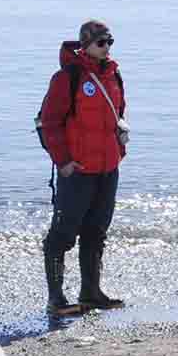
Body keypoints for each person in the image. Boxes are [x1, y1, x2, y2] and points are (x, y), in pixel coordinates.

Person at [37, 19, 128, 318]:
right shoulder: (67, 78)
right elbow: (48, 123)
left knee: (96, 231)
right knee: (62, 235)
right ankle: (56, 299)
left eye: (109, 42)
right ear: (86, 44)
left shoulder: (114, 74)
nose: (107, 48)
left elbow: (119, 115)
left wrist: (119, 151)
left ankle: (91, 292)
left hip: (107, 168)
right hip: (77, 171)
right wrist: (63, 162)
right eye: (101, 42)